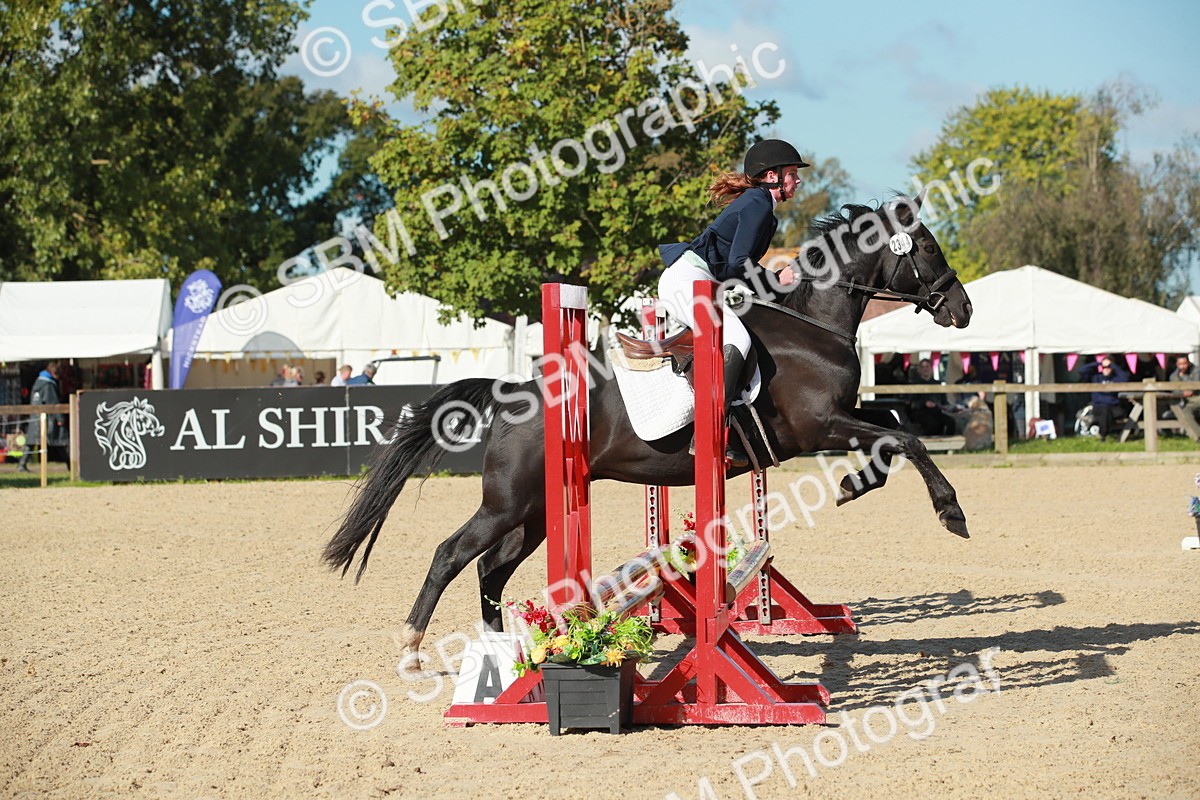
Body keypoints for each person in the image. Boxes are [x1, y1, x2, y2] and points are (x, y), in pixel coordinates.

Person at [656, 139, 809, 466]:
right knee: (736, 339)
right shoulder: (756, 204)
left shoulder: (762, 207)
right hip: (687, 282)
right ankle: (709, 432)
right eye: (793, 174)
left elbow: (735, 268)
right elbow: (740, 262)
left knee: (748, 330)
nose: (798, 181)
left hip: (706, 284)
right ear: (772, 176)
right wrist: (773, 280)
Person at [18, 361, 65, 472]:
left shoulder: (38, 381)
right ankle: (71, 465)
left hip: (35, 415)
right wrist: (60, 418)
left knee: (31, 441)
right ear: (55, 373)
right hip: (46, 419)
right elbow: (53, 403)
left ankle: (22, 464)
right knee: (61, 440)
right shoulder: (48, 385)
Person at [1077, 356, 1129, 441]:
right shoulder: (1096, 377)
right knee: (1105, 411)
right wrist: (1099, 363)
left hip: (1114, 407)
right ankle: (1103, 435)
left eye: (1109, 367)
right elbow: (1081, 370)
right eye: (1104, 367)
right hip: (1099, 407)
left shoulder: (1116, 378)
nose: (1106, 369)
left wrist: (1113, 365)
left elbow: (1125, 378)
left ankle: (1102, 435)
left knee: (1113, 412)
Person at [906, 358, 956, 436]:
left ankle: (947, 445)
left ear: (931, 368)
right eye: (922, 367)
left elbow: (944, 401)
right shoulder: (915, 384)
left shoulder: (937, 384)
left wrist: (950, 407)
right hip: (921, 413)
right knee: (933, 424)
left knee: (951, 421)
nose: (925, 369)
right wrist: (924, 403)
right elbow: (912, 403)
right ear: (919, 370)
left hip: (936, 411)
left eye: (927, 366)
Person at [1169, 355, 1200, 428]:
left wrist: (1183, 377)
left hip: (1197, 397)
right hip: (1187, 401)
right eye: (1180, 364)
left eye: (1184, 364)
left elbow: (1195, 384)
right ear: (1176, 364)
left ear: (1188, 363)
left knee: (1187, 411)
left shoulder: (1196, 370)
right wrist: (1182, 393)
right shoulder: (1174, 376)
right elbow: (1174, 390)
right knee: (1186, 411)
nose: (1182, 366)